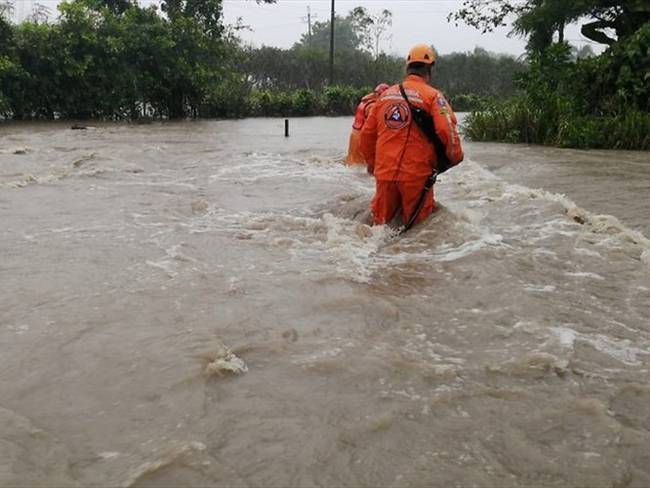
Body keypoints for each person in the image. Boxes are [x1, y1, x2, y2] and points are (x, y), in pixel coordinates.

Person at [360, 44, 464, 227]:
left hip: (384, 174)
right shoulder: (433, 97)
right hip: (416, 176)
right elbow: (446, 129)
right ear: (429, 68)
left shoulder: (384, 97)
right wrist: (455, 157)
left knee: (380, 229)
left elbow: (367, 135)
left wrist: (373, 165)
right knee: (419, 233)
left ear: (408, 68)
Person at [345, 83, 390, 165]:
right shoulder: (372, 106)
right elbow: (375, 127)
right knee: (363, 166)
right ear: (379, 94)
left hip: (354, 136)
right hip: (362, 138)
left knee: (353, 163)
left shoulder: (365, 102)